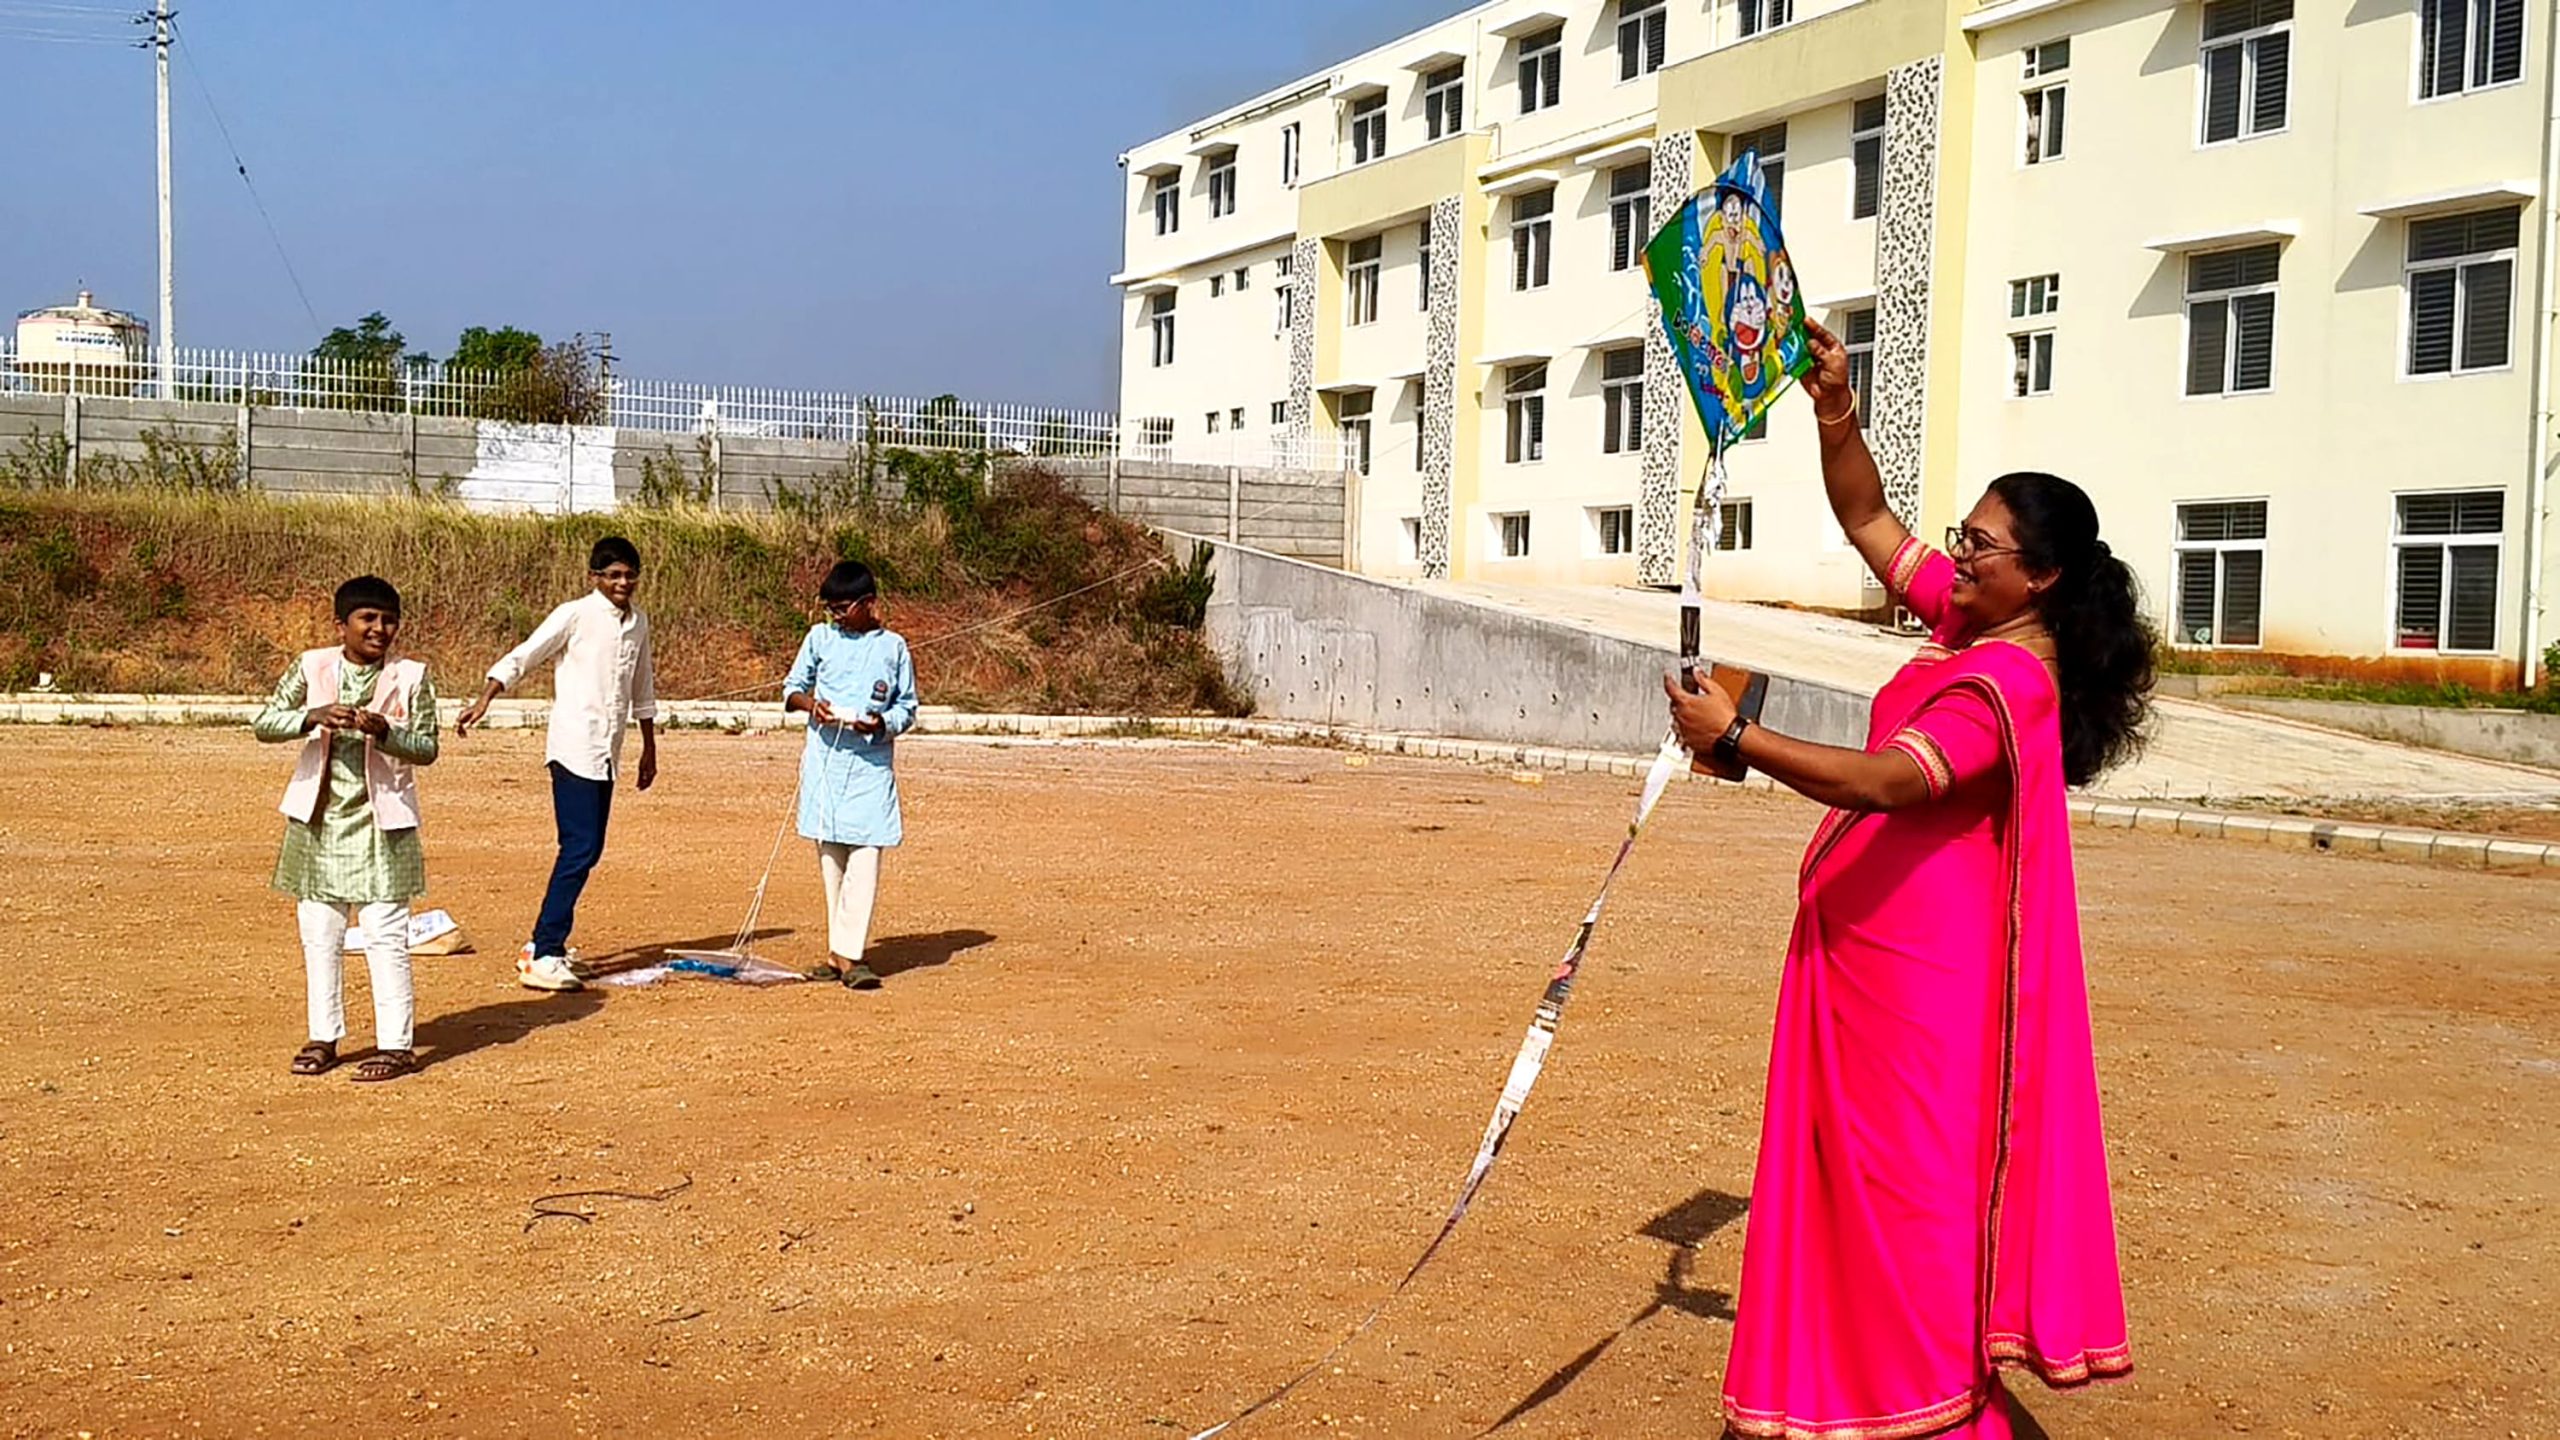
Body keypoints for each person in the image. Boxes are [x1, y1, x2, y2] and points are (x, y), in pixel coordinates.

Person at [1665, 318, 2151, 1438]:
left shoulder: (2006, 688)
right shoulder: (1974, 623)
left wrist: (1739, 739)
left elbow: (1889, 783)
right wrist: (1834, 402)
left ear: (2042, 575)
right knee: (1848, 1201)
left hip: (1917, 998)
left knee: (1902, 1213)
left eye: (1979, 547)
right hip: (1865, 970)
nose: (1957, 557)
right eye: (1962, 539)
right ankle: (1846, 1391)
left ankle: (1925, 1405)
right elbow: (1866, 520)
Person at [254, 575, 441, 1083]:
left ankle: (396, 1045)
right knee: (320, 932)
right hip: (318, 822)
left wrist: (386, 732)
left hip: (385, 824)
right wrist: (311, 716)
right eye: (368, 619)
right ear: (342, 626)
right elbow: (265, 723)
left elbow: (426, 746)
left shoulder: (412, 676)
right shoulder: (312, 667)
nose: (380, 629)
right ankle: (323, 1037)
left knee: (385, 935)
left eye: (388, 620)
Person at [455, 536, 658, 993]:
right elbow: (528, 653)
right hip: (573, 748)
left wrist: (649, 746)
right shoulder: (576, 614)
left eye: (629, 575)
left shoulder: (638, 621)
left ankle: (549, 946)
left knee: (589, 849)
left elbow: (642, 683)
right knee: (579, 848)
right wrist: (486, 696)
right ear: (595, 578)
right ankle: (544, 950)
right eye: (614, 575)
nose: (623, 582)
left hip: (609, 751)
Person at [782, 560, 918, 990]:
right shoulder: (820, 638)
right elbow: (791, 689)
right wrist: (811, 706)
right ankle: (837, 955)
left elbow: (907, 708)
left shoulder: (894, 647)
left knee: (866, 859)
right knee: (831, 862)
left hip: (870, 769)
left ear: (869, 603)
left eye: (843, 608)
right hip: (826, 762)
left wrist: (880, 724)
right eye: (832, 610)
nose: (837, 617)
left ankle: (852, 955)